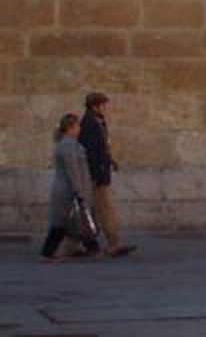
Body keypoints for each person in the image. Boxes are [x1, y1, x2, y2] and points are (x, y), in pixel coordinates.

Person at [79, 92, 135, 257]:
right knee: (104, 209)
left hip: (100, 172)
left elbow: (102, 148)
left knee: (93, 209)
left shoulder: (97, 122)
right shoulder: (89, 124)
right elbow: (92, 152)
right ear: (94, 106)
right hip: (97, 175)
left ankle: (72, 244)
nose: (105, 108)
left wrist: (111, 160)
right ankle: (113, 243)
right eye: (102, 105)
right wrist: (98, 174)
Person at [41, 113, 100, 261]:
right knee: (65, 223)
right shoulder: (68, 146)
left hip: (69, 191)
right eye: (78, 126)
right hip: (68, 192)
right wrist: (80, 192)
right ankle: (48, 252)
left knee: (74, 222)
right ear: (70, 128)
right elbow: (73, 172)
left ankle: (92, 248)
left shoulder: (70, 144)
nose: (80, 128)